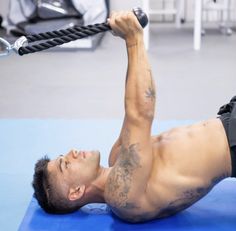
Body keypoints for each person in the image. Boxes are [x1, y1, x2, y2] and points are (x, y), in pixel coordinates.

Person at [32, 10, 236, 223]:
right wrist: (133, 40)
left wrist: (126, 37)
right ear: (76, 191)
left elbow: (132, 108)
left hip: (228, 118)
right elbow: (141, 113)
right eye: (66, 164)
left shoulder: (116, 158)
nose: (72, 152)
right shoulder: (122, 196)